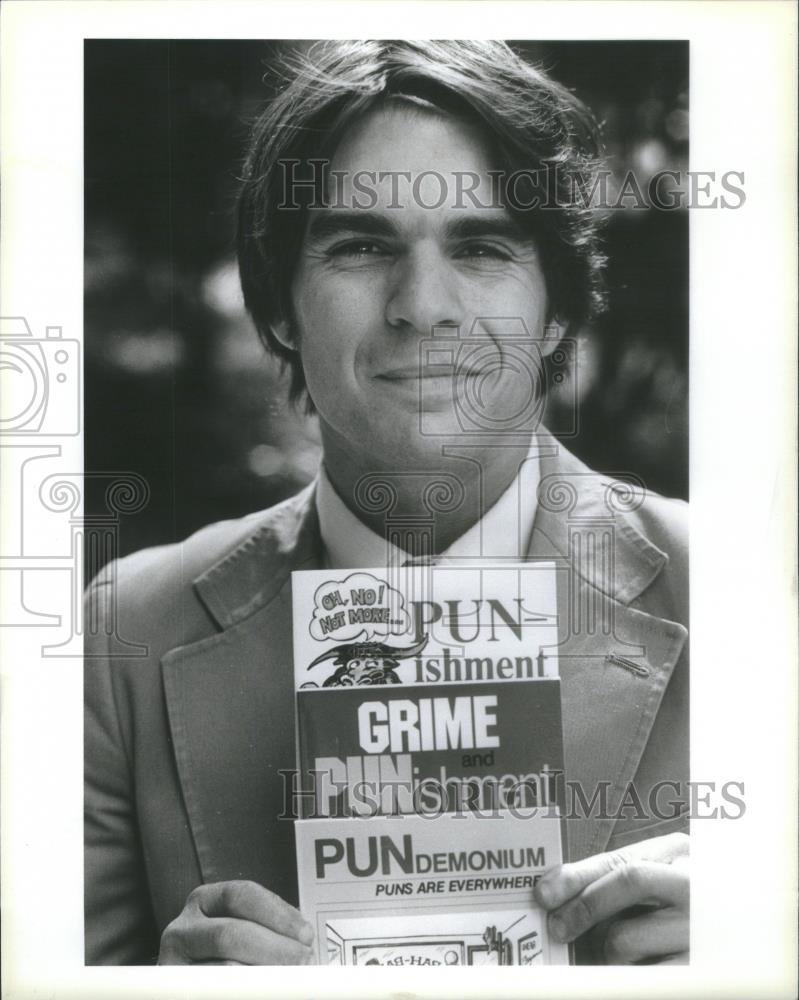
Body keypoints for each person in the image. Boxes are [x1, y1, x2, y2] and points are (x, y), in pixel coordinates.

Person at [84, 39, 689, 967]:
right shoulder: (121, 634)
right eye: (362, 246)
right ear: (280, 306)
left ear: (557, 307)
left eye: (481, 247)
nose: (422, 306)